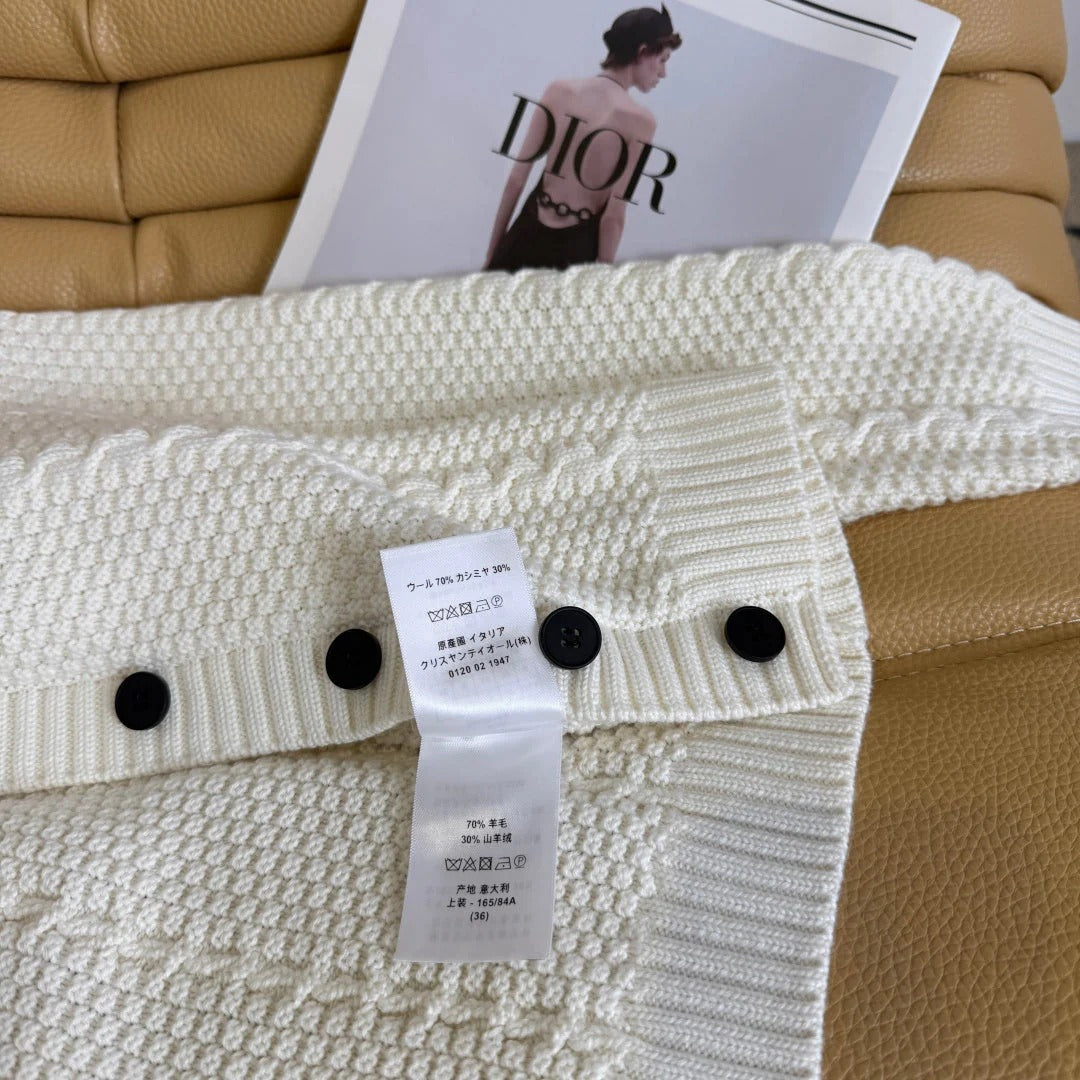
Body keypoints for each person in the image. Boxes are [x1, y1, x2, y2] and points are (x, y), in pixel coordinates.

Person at [485, 6, 682, 271]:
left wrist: (493, 254)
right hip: (575, 253)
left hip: (524, 236)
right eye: (663, 60)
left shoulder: (558, 91)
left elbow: (515, 181)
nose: (663, 73)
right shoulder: (641, 121)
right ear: (642, 51)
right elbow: (613, 218)